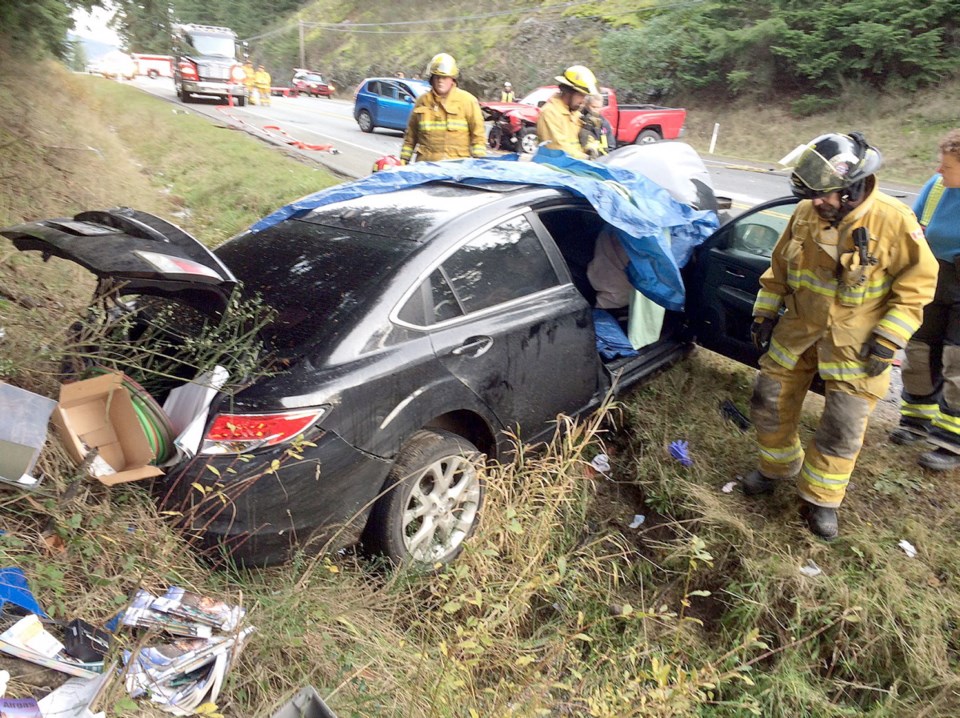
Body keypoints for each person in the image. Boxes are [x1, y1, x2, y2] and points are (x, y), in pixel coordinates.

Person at [742, 131, 938, 540]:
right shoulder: (805, 213)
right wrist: (764, 313)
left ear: (851, 189)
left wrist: (889, 338)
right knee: (768, 400)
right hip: (798, 331)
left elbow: (918, 286)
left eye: (824, 194)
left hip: (857, 344)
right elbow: (778, 269)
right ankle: (777, 467)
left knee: (841, 426)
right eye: (812, 193)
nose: (816, 202)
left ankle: (820, 499)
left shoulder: (893, 220)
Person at [890, 129, 960, 469]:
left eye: (946, 167)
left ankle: (952, 442)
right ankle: (915, 422)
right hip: (932, 281)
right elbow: (909, 229)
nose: (938, 171)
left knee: (956, 361)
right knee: (919, 351)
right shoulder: (935, 190)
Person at [400, 53, 486, 164]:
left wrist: (478, 163)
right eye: (437, 77)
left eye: (444, 77)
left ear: (452, 79)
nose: (440, 81)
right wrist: (404, 160)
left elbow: (478, 135)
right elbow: (410, 136)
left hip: (455, 169)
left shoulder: (467, 101)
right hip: (425, 167)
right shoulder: (422, 102)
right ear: (432, 79)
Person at [535, 65, 599, 159]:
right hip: (554, 170)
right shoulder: (550, 113)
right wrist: (585, 158)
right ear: (567, 92)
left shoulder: (575, 113)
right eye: (581, 95)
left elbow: (586, 137)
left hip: (573, 167)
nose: (583, 101)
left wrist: (590, 147)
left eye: (585, 96)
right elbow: (558, 148)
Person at [578, 94, 611, 159]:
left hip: (598, 158)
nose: (596, 110)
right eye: (593, 107)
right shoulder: (579, 118)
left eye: (599, 107)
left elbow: (610, 146)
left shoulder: (604, 123)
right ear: (587, 105)